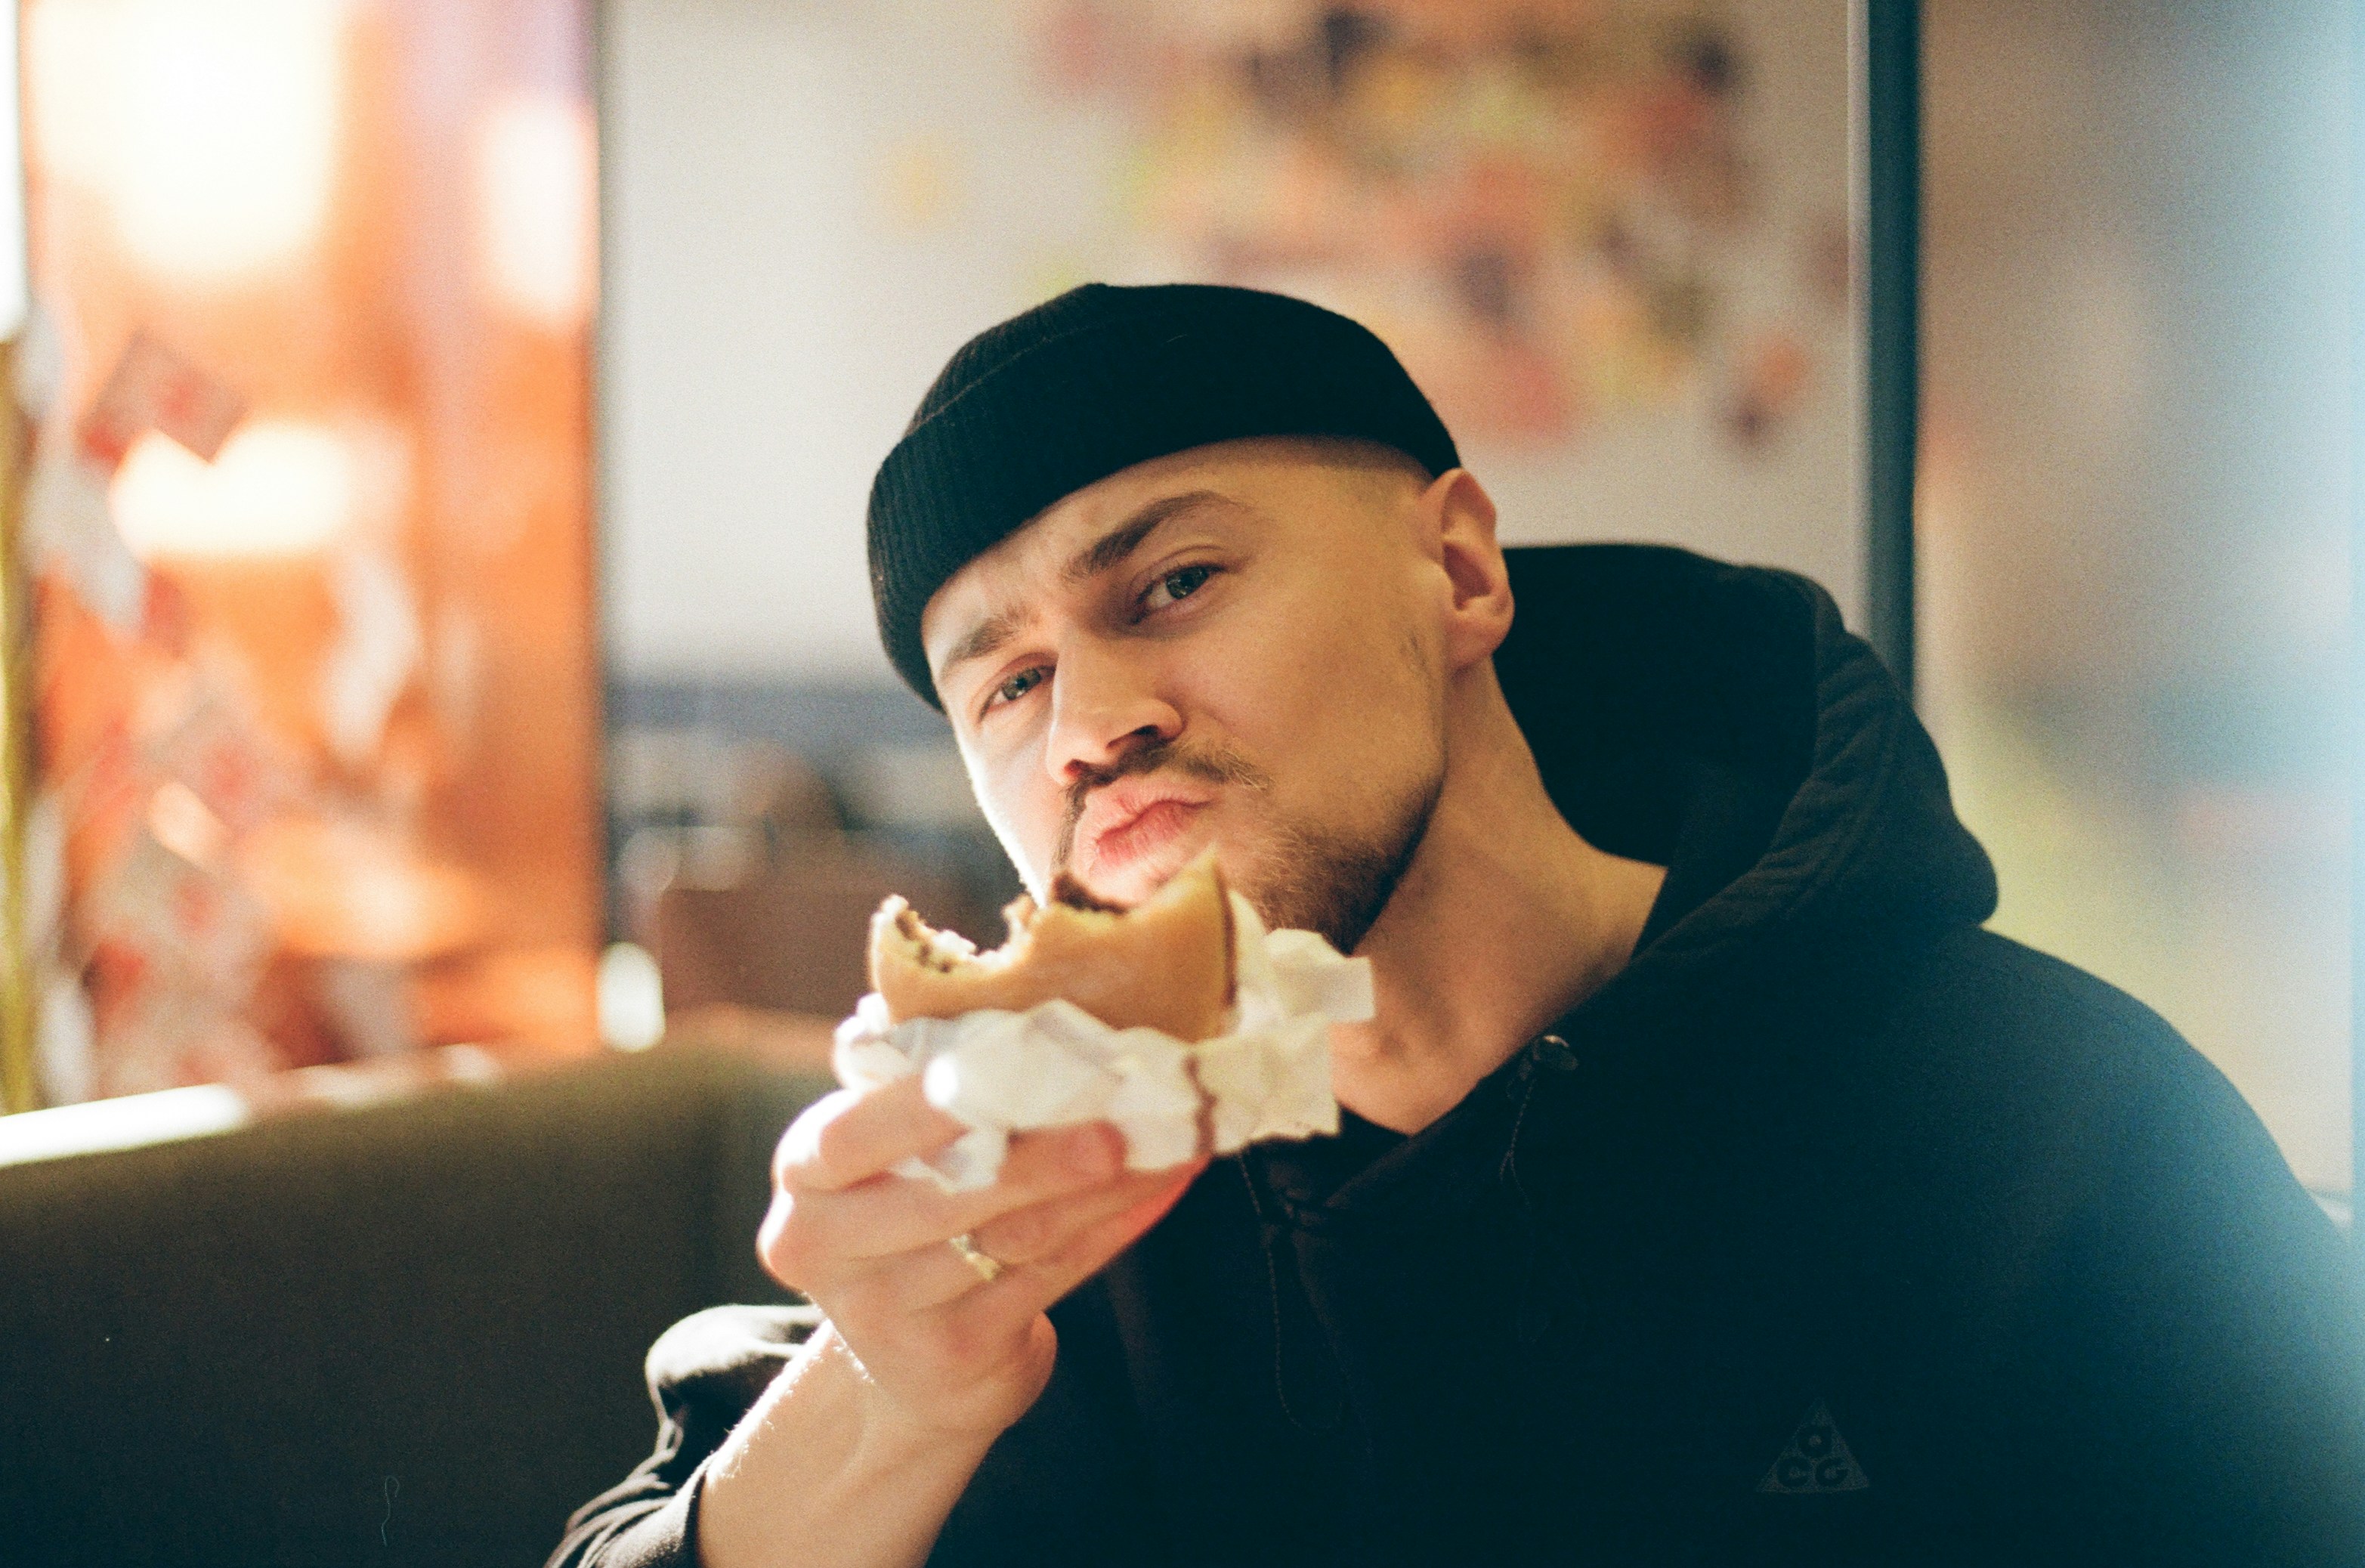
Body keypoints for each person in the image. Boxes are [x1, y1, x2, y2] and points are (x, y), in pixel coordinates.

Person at [552, 284, 2365, 1568]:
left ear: (1460, 570)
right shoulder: (1044, 1219)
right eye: (1007, 683)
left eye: (1173, 582)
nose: (1091, 720)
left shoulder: (2045, 1129)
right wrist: (889, 1397)